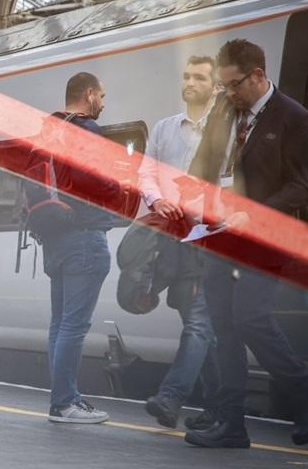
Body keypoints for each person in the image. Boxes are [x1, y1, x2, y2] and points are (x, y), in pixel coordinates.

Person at [184, 39, 308, 448]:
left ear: (259, 75)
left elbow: (304, 187)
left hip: (262, 234)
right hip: (219, 231)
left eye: (234, 84)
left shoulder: (294, 118)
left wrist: (253, 214)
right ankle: (230, 424)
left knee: (251, 318)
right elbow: (205, 164)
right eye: (224, 86)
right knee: (223, 324)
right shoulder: (226, 109)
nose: (228, 93)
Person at [137, 57, 223, 429]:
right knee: (197, 321)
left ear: (215, 86)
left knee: (199, 322)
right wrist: (157, 199)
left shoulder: (227, 131)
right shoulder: (164, 128)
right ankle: (222, 409)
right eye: (187, 75)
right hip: (175, 240)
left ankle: (171, 398)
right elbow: (146, 172)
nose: (190, 82)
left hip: (213, 239)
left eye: (199, 77)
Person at [40, 72, 121, 424]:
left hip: (54, 237)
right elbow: (100, 185)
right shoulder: (88, 131)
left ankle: (63, 400)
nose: (103, 103)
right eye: (101, 95)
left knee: (60, 323)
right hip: (85, 237)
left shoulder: (50, 128)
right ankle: (65, 403)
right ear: (88, 94)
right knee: (74, 325)